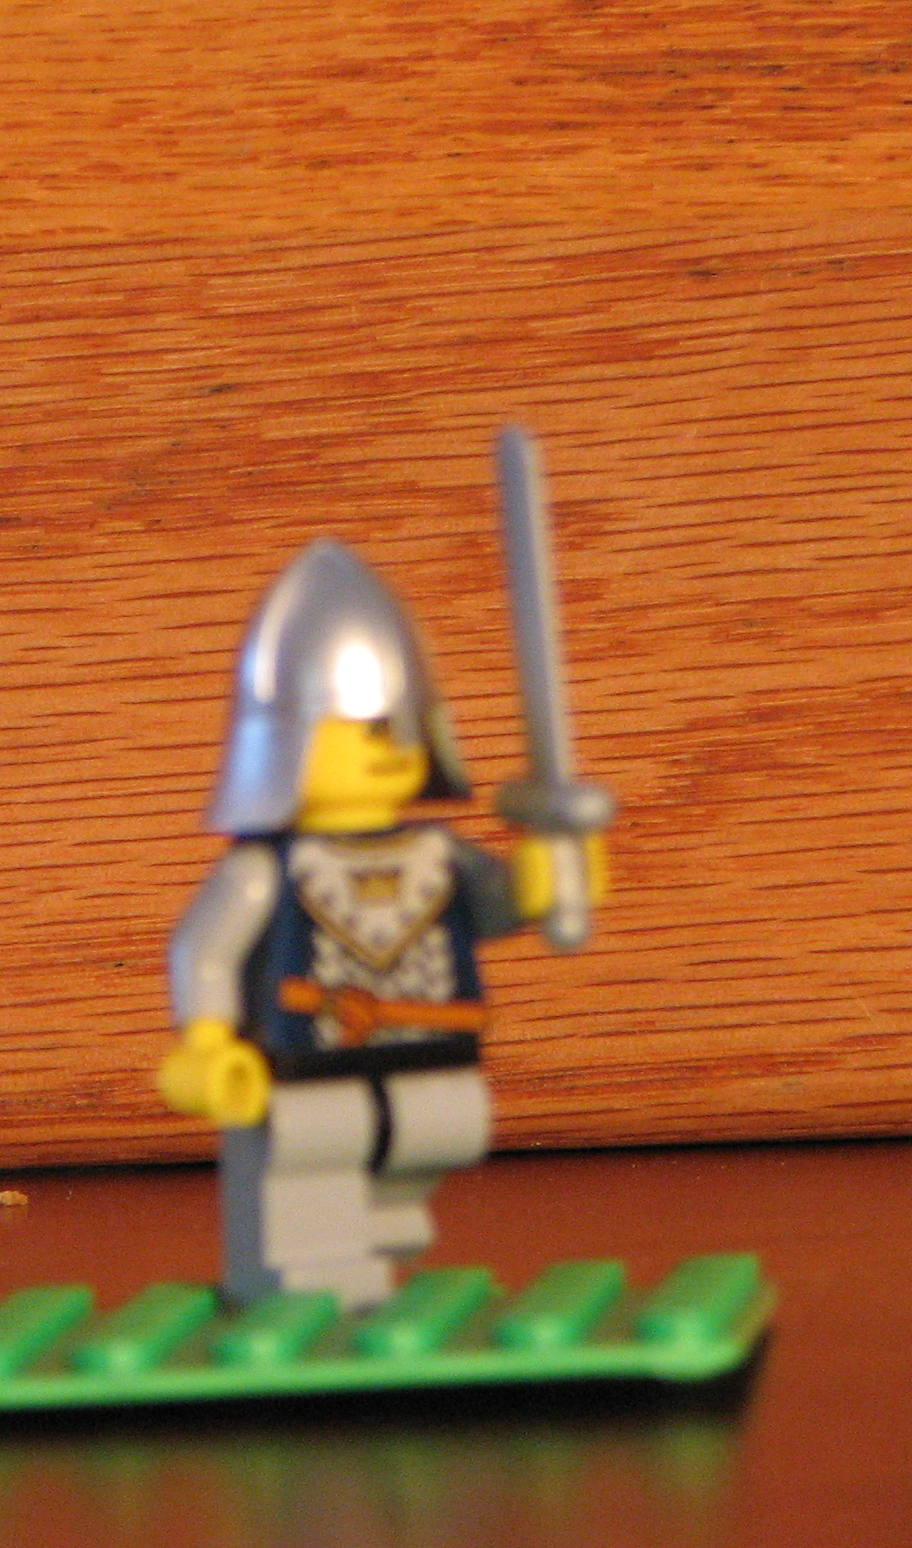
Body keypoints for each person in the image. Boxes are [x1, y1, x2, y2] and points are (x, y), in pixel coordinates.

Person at [157, 538, 610, 1307]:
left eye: (401, 728)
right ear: (290, 741)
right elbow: (205, 949)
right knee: (313, 1166)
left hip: (429, 1047)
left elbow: (489, 907)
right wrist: (206, 1042)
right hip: (311, 1059)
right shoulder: (266, 869)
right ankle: (310, 1291)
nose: (391, 747)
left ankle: (379, 1252)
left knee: (435, 1140)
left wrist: (546, 876)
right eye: (368, 728)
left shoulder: (437, 854)